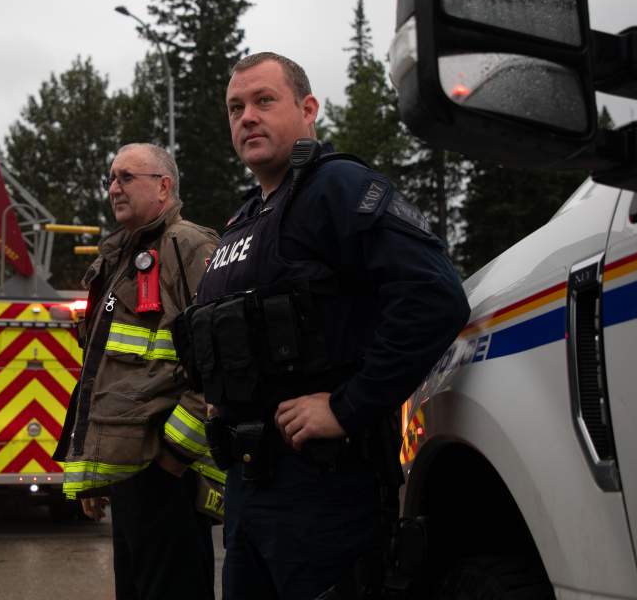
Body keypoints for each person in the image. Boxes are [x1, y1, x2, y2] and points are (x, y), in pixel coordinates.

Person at [187, 52, 470, 599]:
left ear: (308, 108)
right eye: (235, 107)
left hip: (325, 489)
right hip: (249, 487)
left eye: (264, 101)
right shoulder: (244, 220)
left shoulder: (337, 187)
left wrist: (347, 406)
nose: (247, 116)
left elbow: (434, 297)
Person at [54, 142, 222, 600]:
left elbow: (217, 364)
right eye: (111, 178)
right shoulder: (120, 256)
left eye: (127, 177)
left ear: (163, 186)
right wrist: (96, 470)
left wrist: (172, 459)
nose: (114, 188)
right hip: (132, 474)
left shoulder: (189, 246)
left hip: (168, 475)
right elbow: (104, 376)